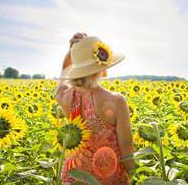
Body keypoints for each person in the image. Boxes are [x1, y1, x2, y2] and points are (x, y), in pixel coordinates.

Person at [56, 32, 135, 184]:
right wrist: (134, 175)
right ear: (102, 66)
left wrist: (71, 52)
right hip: (108, 178)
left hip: (74, 177)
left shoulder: (66, 97)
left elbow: (61, 83)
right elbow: (127, 151)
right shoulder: (117, 101)